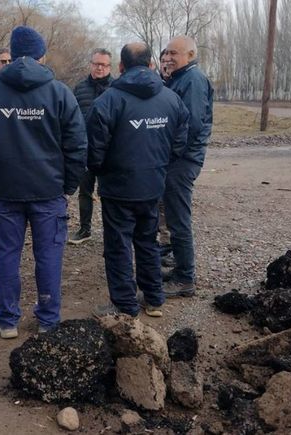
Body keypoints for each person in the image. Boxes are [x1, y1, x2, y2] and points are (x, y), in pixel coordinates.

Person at [0, 26, 87, 338]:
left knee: (8, 254)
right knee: (48, 256)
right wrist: (68, 186)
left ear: (13, 53)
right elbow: (76, 145)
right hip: (48, 190)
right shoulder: (60, 93)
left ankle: (7, 320)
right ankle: (48, 319)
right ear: (41, 54)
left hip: (7, 189)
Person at [87, 42, 189, 318]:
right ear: (151, 65)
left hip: (118, 189)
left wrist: (102, 172)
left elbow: (94, 150)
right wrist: (160, 165)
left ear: (121, 67)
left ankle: (124, 304)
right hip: (152, 185)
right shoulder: (171, 99)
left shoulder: (107, 101)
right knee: (147, 241)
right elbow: (181, 140)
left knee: (119, 245)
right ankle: (154, 298)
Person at [161, 35, 214, 297]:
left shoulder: (192, 80)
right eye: (166, 53)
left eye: (174, 53)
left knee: (179, 219)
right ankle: (180, 268)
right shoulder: (179, 78)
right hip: (178, 158)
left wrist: (172, 154)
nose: (168, 58)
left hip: (182, 160)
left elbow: (191, 125)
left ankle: (185, 278)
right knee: (172, 216)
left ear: (190, 55)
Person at [68, 48, 114, 245]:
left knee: (109, 193)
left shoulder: (117, 89)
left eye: (103, 65)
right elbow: (71, 118)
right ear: (91, 64)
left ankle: (111, 231)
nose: (99, 68)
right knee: (84, 191)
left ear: (109, 67)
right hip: (85, 149)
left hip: (110, 152)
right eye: (96, 64)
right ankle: (85, 229)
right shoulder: (79, 88)